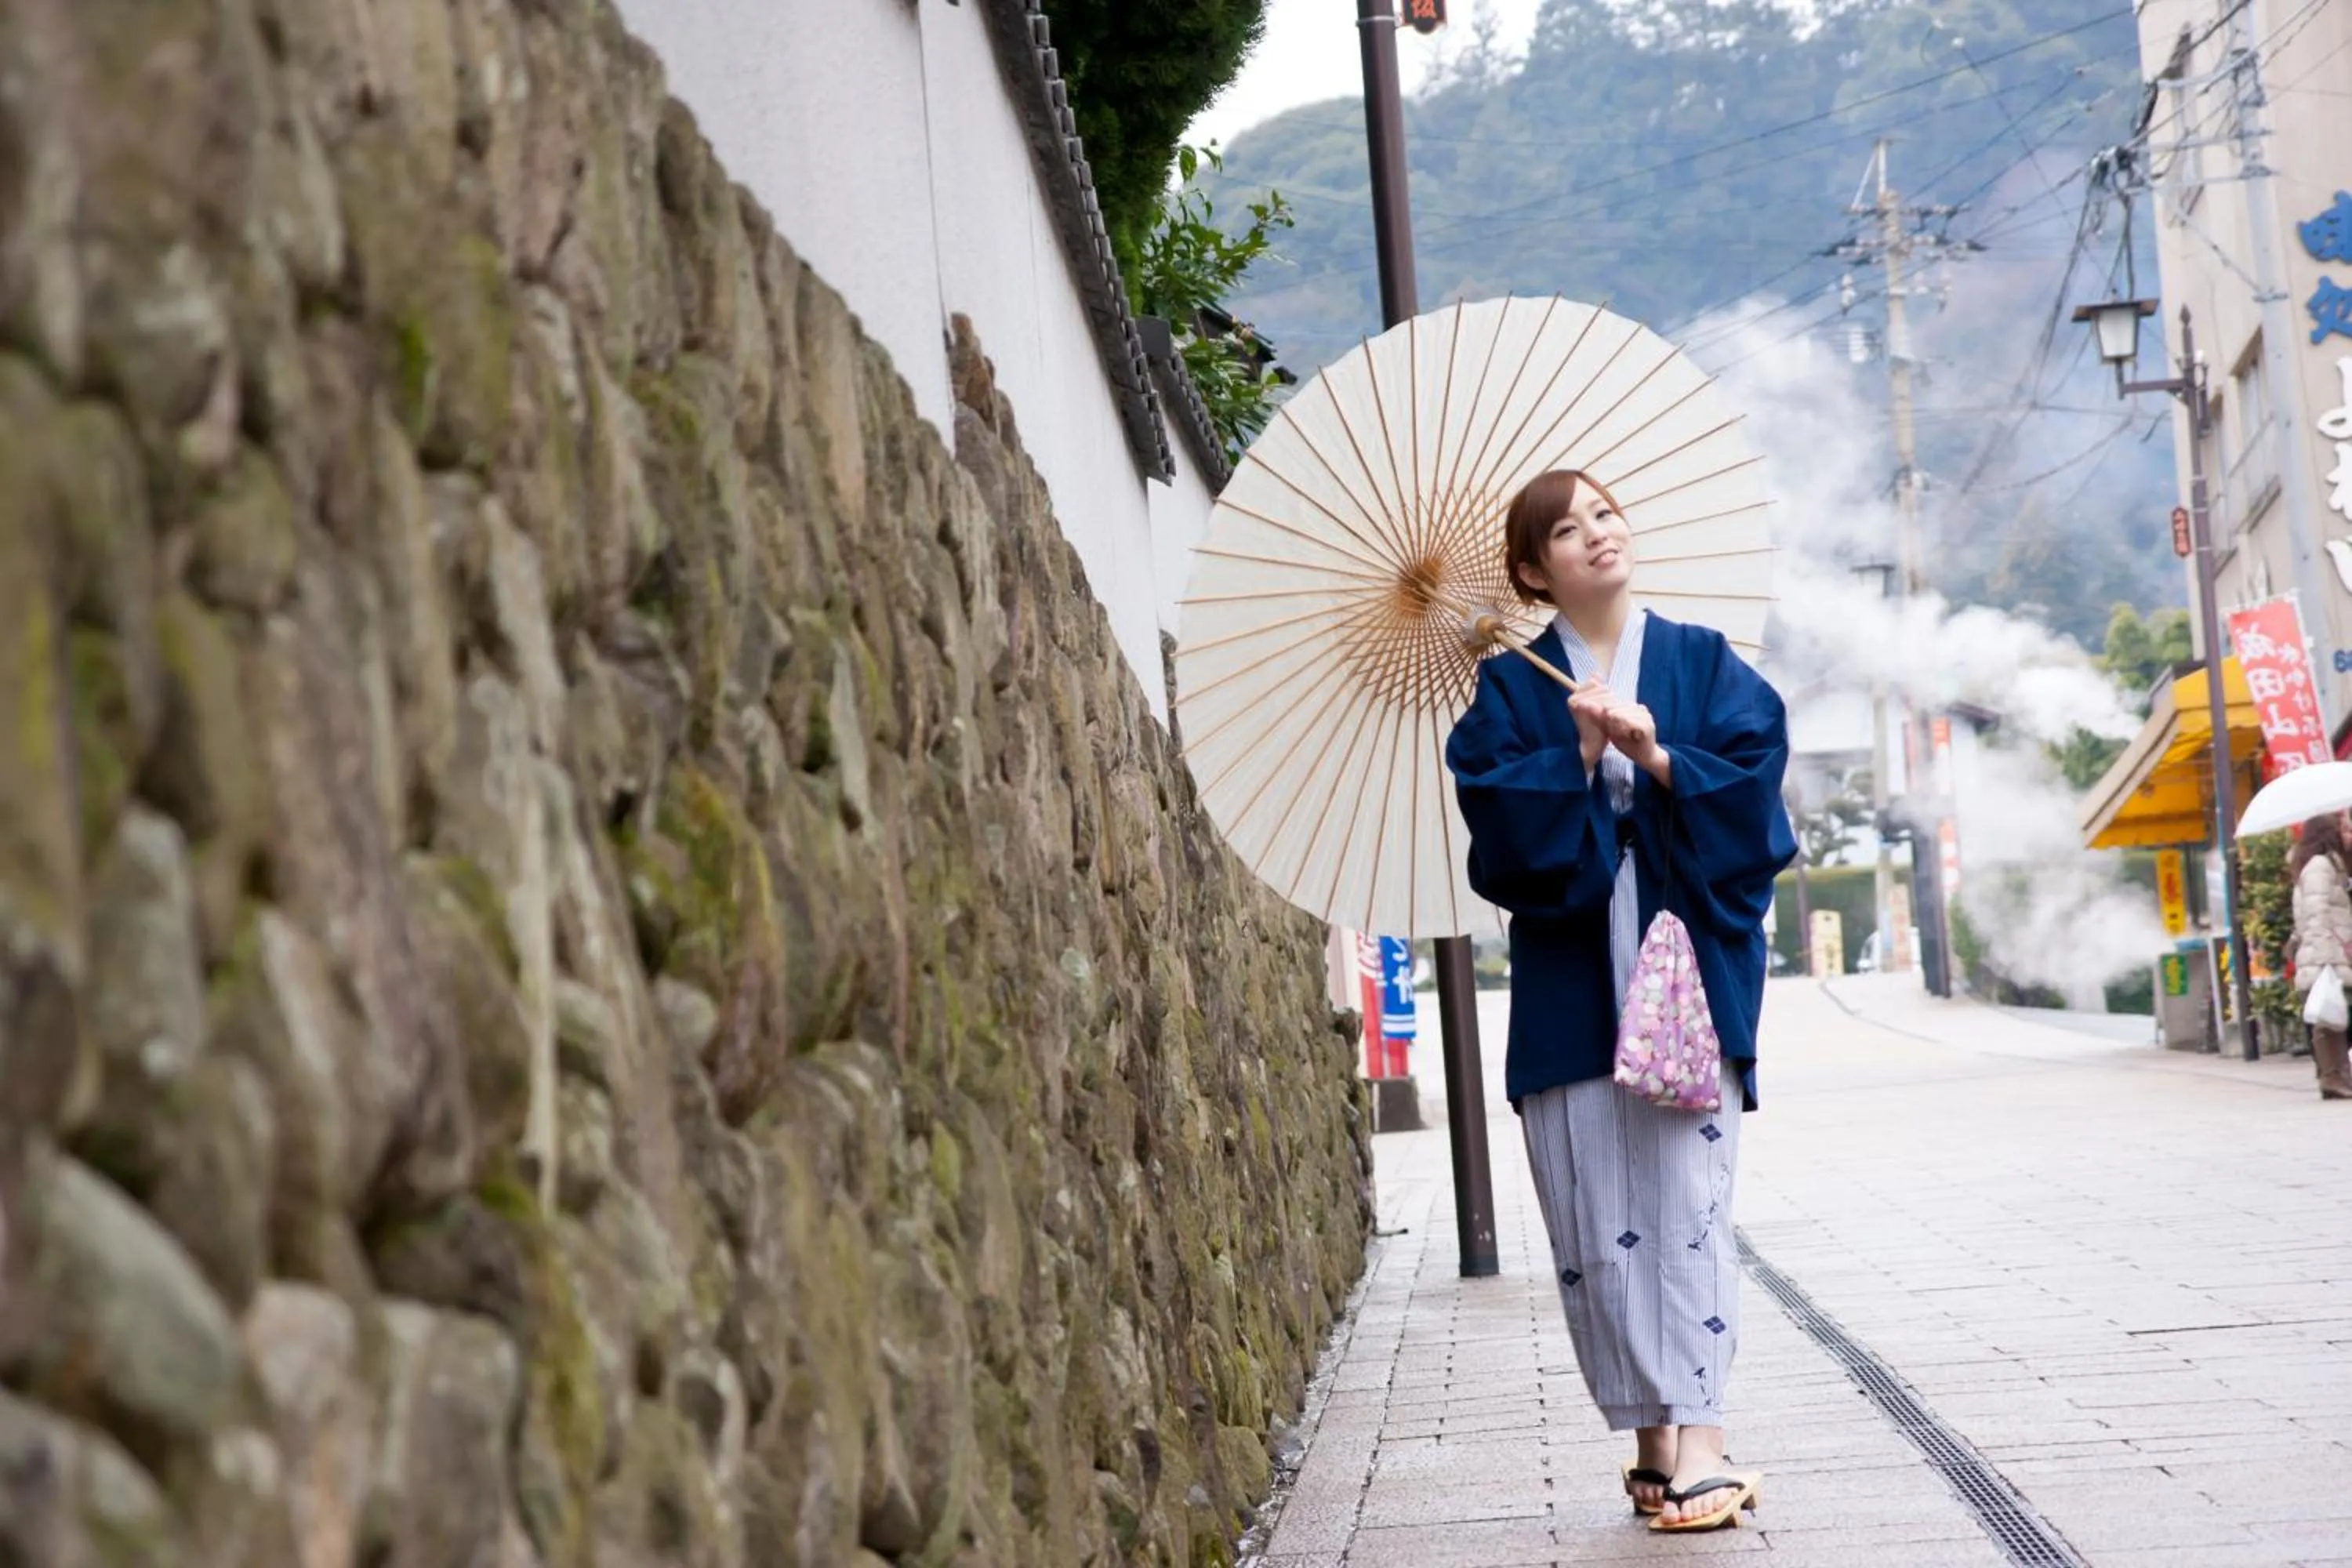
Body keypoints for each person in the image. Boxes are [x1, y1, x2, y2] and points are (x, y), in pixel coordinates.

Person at [1444, 469, 1798, 1533]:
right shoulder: (1511, 691)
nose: (1596, 536)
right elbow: (1502, 844)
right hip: (1573, 991)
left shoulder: (1698, 661)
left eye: (1605, 514)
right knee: (1598, 1223)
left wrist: (1659, 755)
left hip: (1685, 978)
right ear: (1529, 570)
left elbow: (1754, 791)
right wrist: (1580, 752)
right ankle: (1652, 1446)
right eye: (1566, 529)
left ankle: (1705, 1439)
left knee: (1687, 1211)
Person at [2288, 811, 2352, 1100]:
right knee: (2329, 1019)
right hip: (2324, 955)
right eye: (2342, 827)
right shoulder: (2319, 866)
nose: (2346, 832)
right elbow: (2317, 914)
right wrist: (2327, 959)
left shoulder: (2330, 865)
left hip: (2328, 952)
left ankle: (2337, 1076)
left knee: (2333, 1018)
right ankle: (2332, 1077)